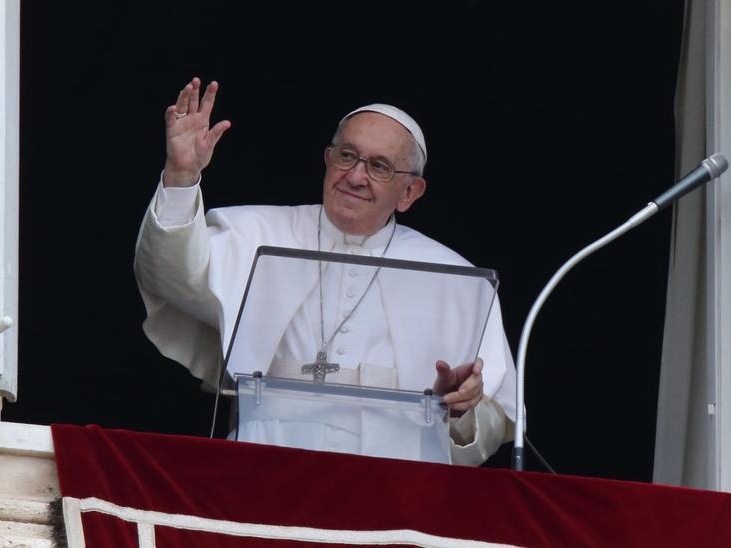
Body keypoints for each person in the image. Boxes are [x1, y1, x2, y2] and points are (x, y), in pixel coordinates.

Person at [134, 77, 515, 466]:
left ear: (409, 193)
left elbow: (490, 422)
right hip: (265, 461)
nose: (355, 176)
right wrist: (181, 177)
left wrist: (460, 408)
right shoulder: (256, 231)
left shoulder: (455, 279)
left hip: (396, 481)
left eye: (379, 166)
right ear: (328, 160)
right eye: (347, 155)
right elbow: (169, 274)